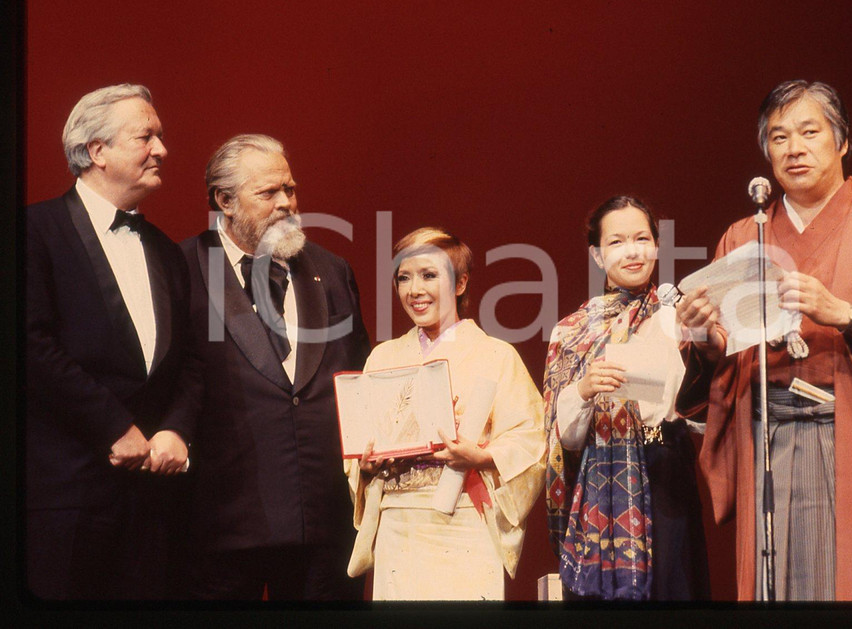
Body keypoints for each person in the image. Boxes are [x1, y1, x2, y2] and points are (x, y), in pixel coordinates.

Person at [677, 80, 852, 600]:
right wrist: (703, 339)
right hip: (767, 436)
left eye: (810, 131)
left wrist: (849, 315)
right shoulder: (745, 237)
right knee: (773, 583)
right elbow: (722, 357)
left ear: (843, 141)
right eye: (778, 138)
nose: (794, 148)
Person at [178, 134, 371, 600]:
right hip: (220, 529)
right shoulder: (178, 269)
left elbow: (361, 378)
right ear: (224, 200)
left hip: (325, 529)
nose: (287, 203)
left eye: (291, 189)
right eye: (268, 193)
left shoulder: (333, 269)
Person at [25, 84, 193, 599]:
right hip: (65, 500)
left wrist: (176, 431)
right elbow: (28, 344)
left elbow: (188, 364)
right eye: (147, 136)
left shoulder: (167, 251)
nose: (162, 149)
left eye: (160, 136)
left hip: (153, 507)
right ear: (97, 152)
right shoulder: (32, 230)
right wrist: (114, 426)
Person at [346, 228, 546, 600]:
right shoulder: (382, 357)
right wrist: (366, 466)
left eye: (429, 275)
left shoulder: (496, 355)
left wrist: (482, 456)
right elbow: (360, 449)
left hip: (462, 520)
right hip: (397, 521)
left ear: (460, 283)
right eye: (404, 278)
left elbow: (530, 439)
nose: (414, 290)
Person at [543, 196, 711, 601]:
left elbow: (706, 414)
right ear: (597, 256)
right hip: (599, 484)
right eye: (616, 242)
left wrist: (703, 343)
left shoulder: (681, 317)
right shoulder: (571, 331)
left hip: (667, 475)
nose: (632, 251)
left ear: (656, 245)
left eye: (641, 238)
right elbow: (557, 438)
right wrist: (583, 389)